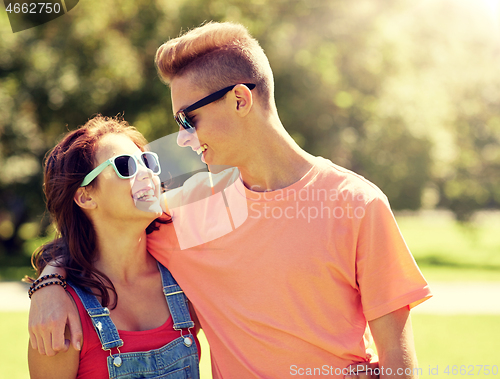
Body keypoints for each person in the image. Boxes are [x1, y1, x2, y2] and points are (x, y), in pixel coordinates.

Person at [29, 22, 431, 378]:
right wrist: (48, 285)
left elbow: (398, 360)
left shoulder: (357, 205)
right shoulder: (194, 210)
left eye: (188, 119)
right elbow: (101, 235)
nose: (183, 138)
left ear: (240, 99)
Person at [27, 115, 200, 379]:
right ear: (85, 196)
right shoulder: (61, 317)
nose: (146, 173)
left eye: (147, 161)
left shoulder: (187, 278)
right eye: (125, 165)